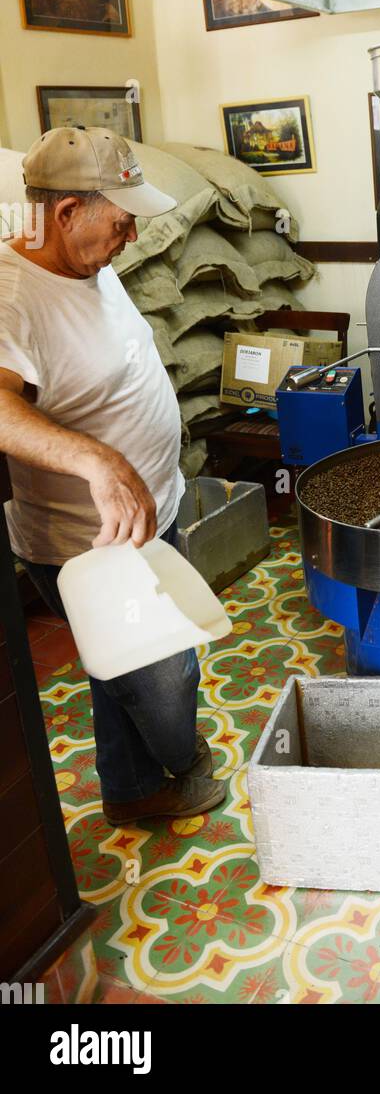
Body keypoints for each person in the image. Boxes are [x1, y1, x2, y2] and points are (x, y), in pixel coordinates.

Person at [0, 126, 226, 824]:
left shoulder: (84, 263)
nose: (129, 235)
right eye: (121, 221)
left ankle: (130, 790)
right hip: (92, 545)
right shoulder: (14, 300)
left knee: (119, 670)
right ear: (67, 213)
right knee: (160, 680)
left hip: (151, 510)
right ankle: (177, 762)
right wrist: (95, 458)